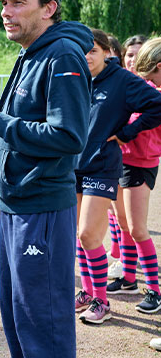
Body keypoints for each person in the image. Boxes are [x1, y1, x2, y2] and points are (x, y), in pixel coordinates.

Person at [0, 0, 90, 357]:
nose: (6, 12)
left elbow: (68, 137)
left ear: (49, 8)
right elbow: (25, 128)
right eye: (3, 3)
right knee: (19, 319)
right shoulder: (32, 52)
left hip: (41, 207)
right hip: (16, 204)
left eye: (18, 2)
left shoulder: (62, 55)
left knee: (42, 323)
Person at [72, 28, 161, 325]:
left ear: (108, 53)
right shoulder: (76, 78)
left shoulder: (122, 80)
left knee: (90, 233)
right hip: (74, 166)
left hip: (104, 165)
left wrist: (126, 133)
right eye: (82, 51)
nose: (86, 57)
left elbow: (156, 106)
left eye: (92, 51)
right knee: (79, 238)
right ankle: (87, 291)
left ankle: (103, 301)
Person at [110, 38, 161, 316]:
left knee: (138, 228)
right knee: (124, 225)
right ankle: (129, 278)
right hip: (124, 159)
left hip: (140, 162)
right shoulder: (138, 85)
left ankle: (154, 289)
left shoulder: (151, 91)